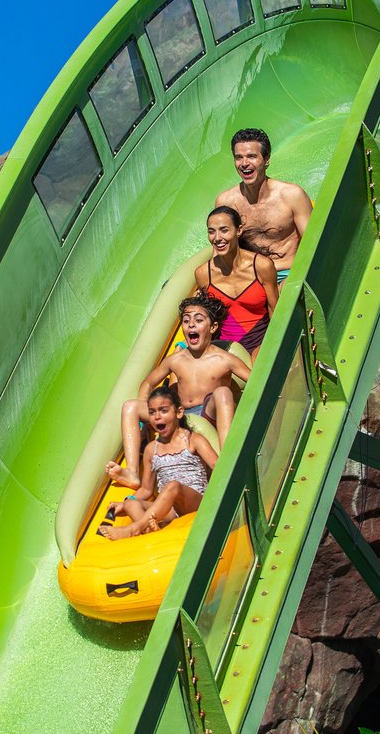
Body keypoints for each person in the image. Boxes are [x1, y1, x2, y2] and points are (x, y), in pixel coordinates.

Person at [107, 295, 250, 503]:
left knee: (222, 392)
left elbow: (256, 381)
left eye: (199, 320)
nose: (191, 324)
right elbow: (147, 383)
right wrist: (146, 422)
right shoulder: (176, 360)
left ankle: (228, 457)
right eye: (186, 320)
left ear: (212, 327)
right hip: (179, 413)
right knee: (130, 406)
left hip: (208, 413)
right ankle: (132, 473)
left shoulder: (224, 359)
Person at [99, 384, 217, 540]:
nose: (157, 417)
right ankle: (150, 531)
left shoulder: (193, 440)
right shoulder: (151, 450)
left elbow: (218, 466)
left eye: (163, 410)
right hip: (170, 510)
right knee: (131, 504)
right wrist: (126, 501)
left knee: (173, 486)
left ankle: (135, 529)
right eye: (152, 412)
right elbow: (147, 490)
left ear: (179, 412)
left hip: (194, 501)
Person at [214, 127, 313, 282]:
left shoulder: (292, 195)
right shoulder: (226, 201)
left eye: (252, 156)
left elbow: (312, 244)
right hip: (250, 276)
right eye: (238, 157)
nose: (244, 163)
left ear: (266, 160)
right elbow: (220, 251)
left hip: (287, 273)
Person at [195, 205, 279, 361]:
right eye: (211, 231)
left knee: (258, 361)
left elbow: (275, 310)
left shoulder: (261, 266)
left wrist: (275, 343)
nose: (217, 238)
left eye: (224, 230)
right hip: (226, 346)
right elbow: (209, 317)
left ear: (238, 230)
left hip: (260, 340)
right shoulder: (203, 274)